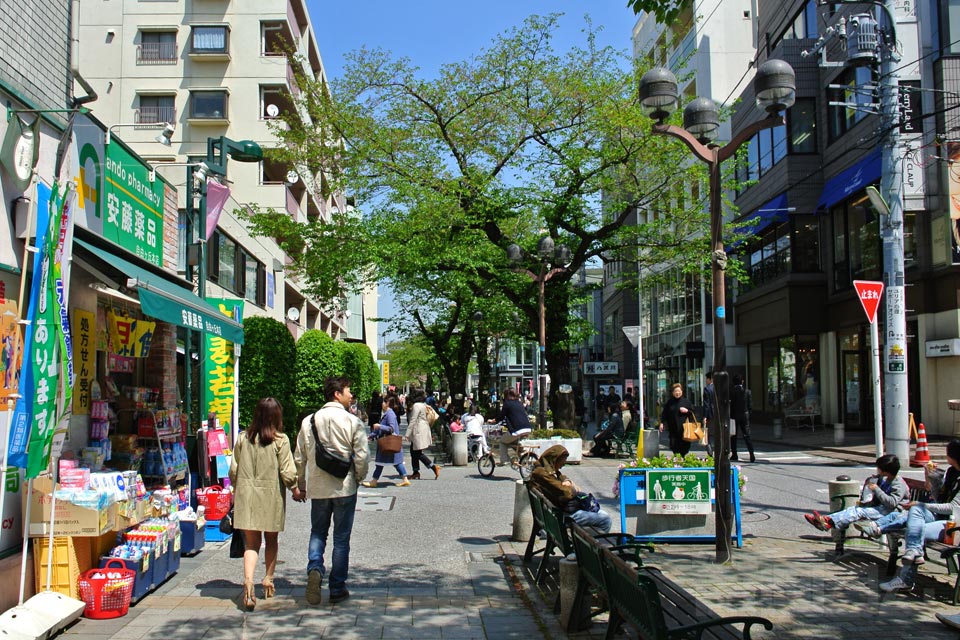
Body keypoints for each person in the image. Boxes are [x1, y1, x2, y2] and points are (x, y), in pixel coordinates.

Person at [294, 376, 370, 605]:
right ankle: (337, 587)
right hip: (344, 487)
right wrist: (358, 477)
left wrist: (301, 484)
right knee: (341, 539)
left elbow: (300, 456)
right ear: (337, 393)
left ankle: (315, 568)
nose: (351, 395)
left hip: (318, 488)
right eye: (348, 391)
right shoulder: (352, 421)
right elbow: (362, 457)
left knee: (318, 533)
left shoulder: (308, 421)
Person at [229, 398, 301, 610]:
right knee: (271, 540)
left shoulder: (243, 438)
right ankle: (268, 578)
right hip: (270, 496)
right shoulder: (281, 440)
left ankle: (248, 581)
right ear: (276, 416)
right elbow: (287, 471)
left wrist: (237, 487)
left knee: (251, 544)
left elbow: (234, 470)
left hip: (246, 496)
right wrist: (295, 488)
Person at [880, 440, 960, 593]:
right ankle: (913, 553)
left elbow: (952, 508)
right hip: (941, 518)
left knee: (916, 530)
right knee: (916, 514)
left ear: (953, 456)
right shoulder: (951, 472)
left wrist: (922, 504)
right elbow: (940, 500)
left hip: (955, 524)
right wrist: (932, 478)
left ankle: (905, 579)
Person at [802, 454, 908, 533]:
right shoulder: (886, 479)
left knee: (858, 512)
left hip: (890, 512)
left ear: (886, 471)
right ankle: (826, 521)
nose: (877, 470)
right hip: (882, 509)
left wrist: (876, 489)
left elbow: (892, 503)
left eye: (879, 468)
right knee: (853, 510)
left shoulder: (898, 484)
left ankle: (826, 522)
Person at [529, 444, 612, 533]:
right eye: (561, 463)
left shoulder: (544, 469)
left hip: (554, 514)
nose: (562, 466)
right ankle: (587, 545)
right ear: (554, 460)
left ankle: (586, 542)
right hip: (559, 517)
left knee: (602, 513)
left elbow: (560, 475)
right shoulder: (542, 474)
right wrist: (573, 488)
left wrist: (567, 480)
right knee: (606, 520)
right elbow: (566, 493)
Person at [362, 395, 411, 487]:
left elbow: (391, 428)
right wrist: (371, 436)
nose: (382, 404)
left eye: (384, 402)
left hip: (388, 442)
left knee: (382, 463)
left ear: (387, 403)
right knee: (394, 462)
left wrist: (379, 426)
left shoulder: (390, 414)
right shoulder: (388, 413)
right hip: (389, 443)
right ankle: (404, 479)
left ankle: (374, 481)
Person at [489, 387, 533, 464]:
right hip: (527, 428)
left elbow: (501, 416)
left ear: (506, 395)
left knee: (502, 441)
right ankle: (524, 459)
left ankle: (505, 460)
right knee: (514, 443)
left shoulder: (507, 404)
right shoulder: (519, 403)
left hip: (517, 430)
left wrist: (493, 420)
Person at [407, 390, 441, 480]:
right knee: (414, 451)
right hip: (422, 429)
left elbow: (413, 420)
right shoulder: (423, 404)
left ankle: (433, 467)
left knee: (417, 452)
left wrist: (407, 434)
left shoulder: (416, 405)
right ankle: (415, 472)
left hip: (419, 430)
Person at [659, 383, 696, 456]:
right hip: (673, 428)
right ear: (673, 393)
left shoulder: (686, 402)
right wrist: (662, 423)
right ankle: (677, 457)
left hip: (684, 428)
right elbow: (665, 413)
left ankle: (682, 457)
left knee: (684, 445)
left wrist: (687, 411)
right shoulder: (670, 402)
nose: (677, 393)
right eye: (675, 391)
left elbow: (693, 413)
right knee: (673, 444)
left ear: (682, 392)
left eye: (679, 391)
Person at [729, 374, 756, 462]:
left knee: (733, 435)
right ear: (742, 381)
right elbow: (750, 405)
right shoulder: (747, 392)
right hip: (745, 415)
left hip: (734, 415)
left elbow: (729, 405)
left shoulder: (731, 391)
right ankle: (751, 454)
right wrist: (749, 414)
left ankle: (734, 454)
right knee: (747, 435)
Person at [703, 371, 716, 456]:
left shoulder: (707, 389)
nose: (706, 381)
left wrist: (705, 416)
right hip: (719, 415)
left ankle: (710, 451)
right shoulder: (719, 388)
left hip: (710, 414)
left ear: (709, 379)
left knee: (707, 434)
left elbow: (706, 404)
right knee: (717, 433)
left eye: (707, 379)